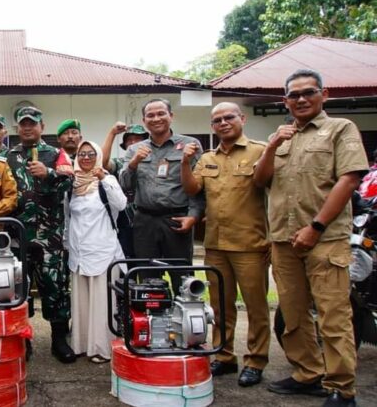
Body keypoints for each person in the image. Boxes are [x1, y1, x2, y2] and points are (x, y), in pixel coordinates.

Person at [254, 69, 367, 407]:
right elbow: (261, 180)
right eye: (294, 95)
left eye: (308, 93)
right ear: (285, 100)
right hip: (283, 240)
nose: (301, 99)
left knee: (333, 316)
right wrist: (272, 145)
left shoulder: (341, 129)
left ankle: (342, 388)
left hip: (325, 239)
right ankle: (307, 373)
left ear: (324, 95)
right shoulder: (281, 135)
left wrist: (315, 227)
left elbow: (348, 181)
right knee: (293, 313)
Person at [180, 102, 270, 387]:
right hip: (215, 244)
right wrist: (184, 163)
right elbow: (193, 189)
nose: (223, 123)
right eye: (216, 120)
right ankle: (225, 356)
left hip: (250, 244)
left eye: (228, 117)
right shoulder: (207, 158)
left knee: (255, 307)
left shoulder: (261, 150)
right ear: (212, 126)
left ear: (242, 118)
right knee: (219, 306)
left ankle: (255, 361)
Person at [6, 105, 75, 364]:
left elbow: (72, 181)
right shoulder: (6, 156)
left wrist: (49, 173)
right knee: (16, 289)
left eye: (32, 123)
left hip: (50, 236)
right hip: (17, 236)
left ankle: (59, 340)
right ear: (17, 128)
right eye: (23, 123)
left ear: (41, 127)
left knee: (55, 287)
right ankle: (22, 340)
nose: (27, 127)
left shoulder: (56, 153)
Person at [119, 99, 204, 290]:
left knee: (183, 279)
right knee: (148, 281)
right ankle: (153, 319)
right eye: (150, 115)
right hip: (145, 221)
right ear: (144, 120)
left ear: (171, 116)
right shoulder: (134, 150)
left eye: (161, 113)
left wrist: (194, 216)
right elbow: (124, 185)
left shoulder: (190, 144)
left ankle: (183, 318)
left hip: (177, 219)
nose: (156, 118)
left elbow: (199, 186)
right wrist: (134, 162)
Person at [66, 140, 126, 364]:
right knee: (81, 302)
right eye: (82, 154)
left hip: (102, 251)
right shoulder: (72, 184)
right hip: (79, 252)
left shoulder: (106, 180)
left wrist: (104, 178)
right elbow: (67, 217)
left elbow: (121, 205)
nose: (86, 158)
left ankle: (102, 348)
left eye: (91, 154)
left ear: (98, 156)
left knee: (102, 303)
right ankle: (81, 344)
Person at [101, 122, 149, 259]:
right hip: (126, 221)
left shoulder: (157, 161)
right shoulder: (121, 163)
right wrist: (112, 133)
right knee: (127, 263)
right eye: (129, 140)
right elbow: (103, 163)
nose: (133, 143)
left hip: (149, 220)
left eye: (138, 139)